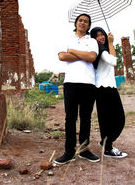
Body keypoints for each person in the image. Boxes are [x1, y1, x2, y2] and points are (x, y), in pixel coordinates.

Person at [54, 13, 100, 165]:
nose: (83, 23)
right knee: (70, 118)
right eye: (80, 20)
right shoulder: (67, 39)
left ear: (88, 25)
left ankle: (84, 150)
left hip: (88, 83)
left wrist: (72, 51)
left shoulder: (92, 40)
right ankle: (69, 151)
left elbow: (92, 57)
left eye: (86, 21)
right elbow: (61, 57)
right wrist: (83, 55)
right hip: (71, 83)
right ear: (76, 23)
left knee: (86, 118)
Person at [90, 27, 127, 158]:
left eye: (102, 35)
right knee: (110, 119)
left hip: (110, 87)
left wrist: (109, 44)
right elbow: (114, 61)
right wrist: (111, 43)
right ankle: (107, 148)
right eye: (97, 36)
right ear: (93, 39)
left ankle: (105, 142)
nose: (101, 37)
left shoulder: (104, 49)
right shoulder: (101, 50)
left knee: (117, 119)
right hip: (103, 88)